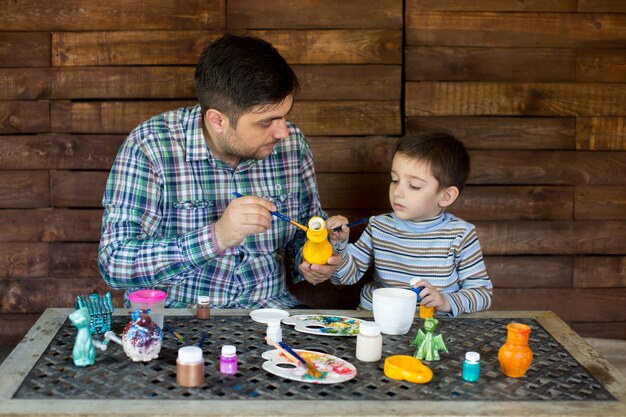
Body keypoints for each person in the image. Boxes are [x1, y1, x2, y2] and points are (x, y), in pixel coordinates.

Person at [98, 34, 340, 309]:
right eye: (266, 123)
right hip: (180, 318)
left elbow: (304, 233)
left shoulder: (292, 145)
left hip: (272, 313)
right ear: (217, 120)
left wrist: (311, 261)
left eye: (285, 116)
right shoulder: (151, 146)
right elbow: (115, 263)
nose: (283, 132)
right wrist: (217, 237)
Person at [326, 131, 492, 317]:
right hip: (376, 321)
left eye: (413, 185)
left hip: (433, 330)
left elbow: (482, 294)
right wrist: (339, 244)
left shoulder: (461, 234)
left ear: (446, 196)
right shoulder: (379, 226)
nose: (398, 192)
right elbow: (343, 277)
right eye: (395, 180)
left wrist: (446, 301)